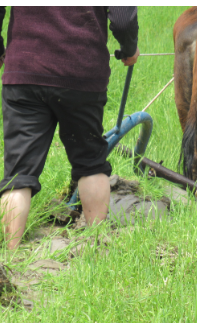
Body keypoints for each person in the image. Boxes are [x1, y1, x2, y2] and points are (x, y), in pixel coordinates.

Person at [0, 6, 140, 250]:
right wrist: (129, 48)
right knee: (91, 164)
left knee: (18, 174)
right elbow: (123, 19)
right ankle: (96, 245)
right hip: (81, 71)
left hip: (24, 69)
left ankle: (10, 261)